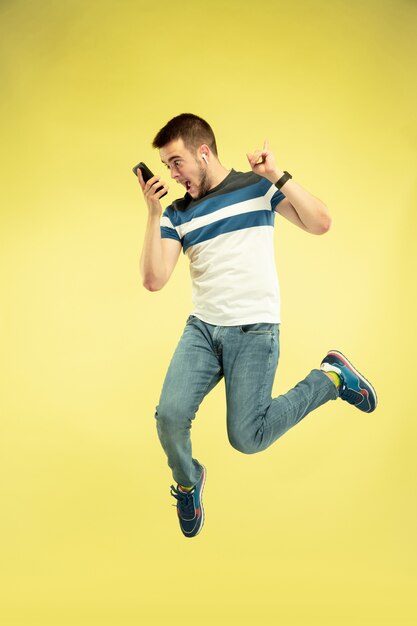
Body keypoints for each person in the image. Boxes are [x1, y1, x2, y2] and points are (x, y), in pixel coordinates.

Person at [137, 113, 377, 538]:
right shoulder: (177, 212)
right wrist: (154, 214)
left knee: (248, 439)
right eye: (166, 166)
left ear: (203, 151)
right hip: (203, 333)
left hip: (254, 333)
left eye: (176, 162)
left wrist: (276, 175)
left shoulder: (256, 186)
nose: (171, 175)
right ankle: (188, 481)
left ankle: (331, 379)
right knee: (169, 417)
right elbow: (154, 280)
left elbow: (321, 223)